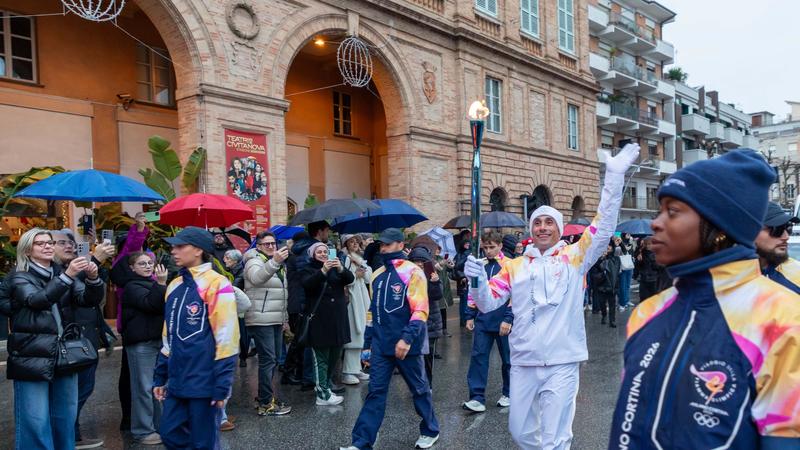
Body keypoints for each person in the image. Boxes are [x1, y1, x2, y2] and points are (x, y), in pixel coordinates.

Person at [608, 149, 800, 449]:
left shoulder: (783, 318)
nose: (656, 223)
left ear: (719, 226)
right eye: (660, 210)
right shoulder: (647, 312)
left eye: (673, 211)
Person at [464, 143, 640, 449]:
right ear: (531, 229)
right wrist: (477, 280)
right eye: (537, 223)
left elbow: (602, 228)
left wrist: (613, 178)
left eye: (549, 222)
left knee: (555, 438)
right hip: (523, 361)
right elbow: (487, 303)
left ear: (558, 228)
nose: (543, 228)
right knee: (520, 432)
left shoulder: (575, 258)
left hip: (562, 360)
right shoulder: (514, 266)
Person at [342, 228, 440, 450]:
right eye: (382, 244)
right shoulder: (377, 274)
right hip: (381, 346)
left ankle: (430, 430)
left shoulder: (413, 272)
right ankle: (362, 442)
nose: (383, 248)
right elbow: (372, 312)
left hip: (408, 346)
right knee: (375, 392)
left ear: (400, 244)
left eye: (388, 244)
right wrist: (367, 345)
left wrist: (406, 339)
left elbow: (420, 311)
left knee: (419, 390)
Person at [7, 228, 104, 450]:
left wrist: (93, 279)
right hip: (32, 354)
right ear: (27, 250)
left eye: (50, 242)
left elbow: (87, 299)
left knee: (64, 416)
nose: (47, 246)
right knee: (35, 419)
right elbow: (37, 300)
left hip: (64, 352)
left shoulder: (59, 271)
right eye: (40, 243)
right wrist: (68, 276)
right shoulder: (20, 276)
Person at [152, 227, 239, 449]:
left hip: (204, 381)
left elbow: (227, 338)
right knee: (169, 434)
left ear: (198, 250)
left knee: (204, 442)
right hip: (177, 380)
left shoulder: (217, 283)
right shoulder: (174, 285)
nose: (173, 251)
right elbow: (168, 336)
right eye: (173, 246)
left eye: (180, 246)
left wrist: (222, 384)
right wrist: (160, 376)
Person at [50, 229, 115, 450]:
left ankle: (72, 434)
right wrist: (95, 259)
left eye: (70, 242)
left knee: (81, 389)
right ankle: (66, 436)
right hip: (68, 344)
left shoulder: (72, 267)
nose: (69, 246)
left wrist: (94, 271)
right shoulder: (52, 271)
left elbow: (92, 297)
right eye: (61, 243)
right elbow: (63, 289)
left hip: (85, 339)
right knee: (71, 393)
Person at [121, 252, 168, 446]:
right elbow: (151, 304)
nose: (148, 266)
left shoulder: (151, 283)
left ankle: (160, 426)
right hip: (141, 343)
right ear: (132, 268)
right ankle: (143, 430)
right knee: (144, 387)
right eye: (142, 264)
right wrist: (161, 284)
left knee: (158, 386)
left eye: (150, 262)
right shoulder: (131, 286)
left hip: (157, 340)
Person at [243, 231, 292, 416]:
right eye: (267, 244)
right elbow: (257, 279)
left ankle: (266, 396)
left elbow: (282, 294)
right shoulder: (253, 261)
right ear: (258, 246)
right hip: (260, 318)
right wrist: (275, 262)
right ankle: (265, 403)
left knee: (274, 359)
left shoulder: (276, 263)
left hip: (275, 318)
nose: (271, 246)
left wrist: (284, 319)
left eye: (273, 243)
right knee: (268, 360)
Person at [463, 231, 513, 412]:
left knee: (508, 359)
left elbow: (516, 294)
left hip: (503, 320)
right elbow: (473, 289)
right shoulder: (480, 265)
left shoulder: (510, 265)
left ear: (500, 246)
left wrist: (508, 318)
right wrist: (470, 314)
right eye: (485, 247)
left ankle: (509, 393)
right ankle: (476, 397)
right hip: (483, 320)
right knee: (478, 358)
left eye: (492, 247)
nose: (489, 251)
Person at [301, 241, 354, 405]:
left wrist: (341, 268)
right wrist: (323, 271)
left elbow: (350, 279)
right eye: (319, 252)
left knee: (334, 355)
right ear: (313, 255)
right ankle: (322, 394)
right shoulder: (308, 268)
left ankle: (326, 386)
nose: (323, 254)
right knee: (321, 358)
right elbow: (308, 285)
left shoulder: (336, 268)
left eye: (325, 251)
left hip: (338, 319)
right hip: (320, 319)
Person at [110, 212, 150, 432]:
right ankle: (131, 418)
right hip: (134, 330)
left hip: (149, 330)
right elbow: (131, 251)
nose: (145, 261)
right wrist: (139, 231)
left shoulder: (147, 271)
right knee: (131, 376)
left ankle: (141, 417)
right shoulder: (123, 270)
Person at [408, 246, 444, 388]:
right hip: (413, 321)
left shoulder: (431, 275)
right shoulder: (407, 276)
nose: (419, 264)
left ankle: (427, 385)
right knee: (414, 356)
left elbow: (437, 296)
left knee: (427, 357)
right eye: (416, 261)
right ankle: (417, 384)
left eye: (422, 261)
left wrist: (435, 282)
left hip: (430, 321)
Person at [341, 234, 373, 385]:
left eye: (356, 241)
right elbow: (343, 279)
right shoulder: (344, 259)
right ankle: (348, 371)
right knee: (354, 335)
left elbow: (369, 277)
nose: (355, 244)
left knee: (362, 334)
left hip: (362, 300)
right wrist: (355, 275)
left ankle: (357, 368)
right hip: (352, 302)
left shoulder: (359, 258)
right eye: (351, 241)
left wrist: (360, 263)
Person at [284, 231, 313, 387]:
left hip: (295, 302)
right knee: (299, 340)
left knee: (300, 340)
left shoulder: (294, 256)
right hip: (297, 303)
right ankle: (289, 372)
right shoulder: (298, 257)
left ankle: (296, 372)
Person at [756, 201, 800, 293]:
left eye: (788, 228)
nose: (786, 236)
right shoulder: (728, 275)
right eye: (777, 229)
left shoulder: (797, 273)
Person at [223, 249, 250, 367]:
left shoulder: (240, 273)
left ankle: (243, 356)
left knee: (242, 333)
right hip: (230, 306)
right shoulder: (228, 271)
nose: (224, 260)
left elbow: (233, 288)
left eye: (227, 258)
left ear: (235, 261)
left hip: (239, 308)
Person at [589, 244, 621, 327]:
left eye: (609, 248)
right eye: (606, 248)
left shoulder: (616, 259)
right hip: (601, 284)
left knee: (612, 304)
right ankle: (604, 315)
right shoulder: (599, 259)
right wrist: (601, 258)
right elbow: (595, 267)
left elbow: (615, 269)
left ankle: (612, 320)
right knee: (602, 303)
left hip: (612, 284)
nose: (607, 250)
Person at [634, 237, 671, 301]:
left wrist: (653, 261)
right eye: (647, 244)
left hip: (654, 280)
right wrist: (639, 260)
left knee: (654, 300)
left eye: (650, 244)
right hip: (644, 280)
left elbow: (660, 267)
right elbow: (638, 266)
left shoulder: (658, 253)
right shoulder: (641, 253)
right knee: (643, 299)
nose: (648, 246)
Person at [616, 234, 635, 312]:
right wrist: (622, 245)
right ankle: (622, 303)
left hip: (629, 265)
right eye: (627, 234)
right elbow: (620, 252)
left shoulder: (630, 242)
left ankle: (627, 300)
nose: (629, 235)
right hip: (622, 266)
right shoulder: (619, 242)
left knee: (627, 285)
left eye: (629, 234)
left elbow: (632, 252)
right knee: (622, 286)